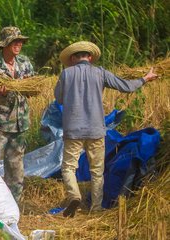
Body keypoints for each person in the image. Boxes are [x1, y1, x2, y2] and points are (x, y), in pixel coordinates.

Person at [54, 41, 158, 217]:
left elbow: (59, 98)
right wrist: (144, 79)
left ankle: (74, 196)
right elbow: (125, 86)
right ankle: (96, 208)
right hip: (96, 130)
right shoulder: (100, 72)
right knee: (97, 171)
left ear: (72, 58)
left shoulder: (66, 74)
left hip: (73, 131)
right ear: (91, 57)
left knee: (69, 167)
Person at [0, 26, 35, 203]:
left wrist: (29, 86)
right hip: (0, 124)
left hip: (20, 122)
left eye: (20, 41)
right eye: (15, 41)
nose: (18, 44)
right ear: (5, 44)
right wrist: (2, 93)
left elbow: (32, 90)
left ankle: (14, 204)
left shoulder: (25, 62)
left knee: (16, 164)